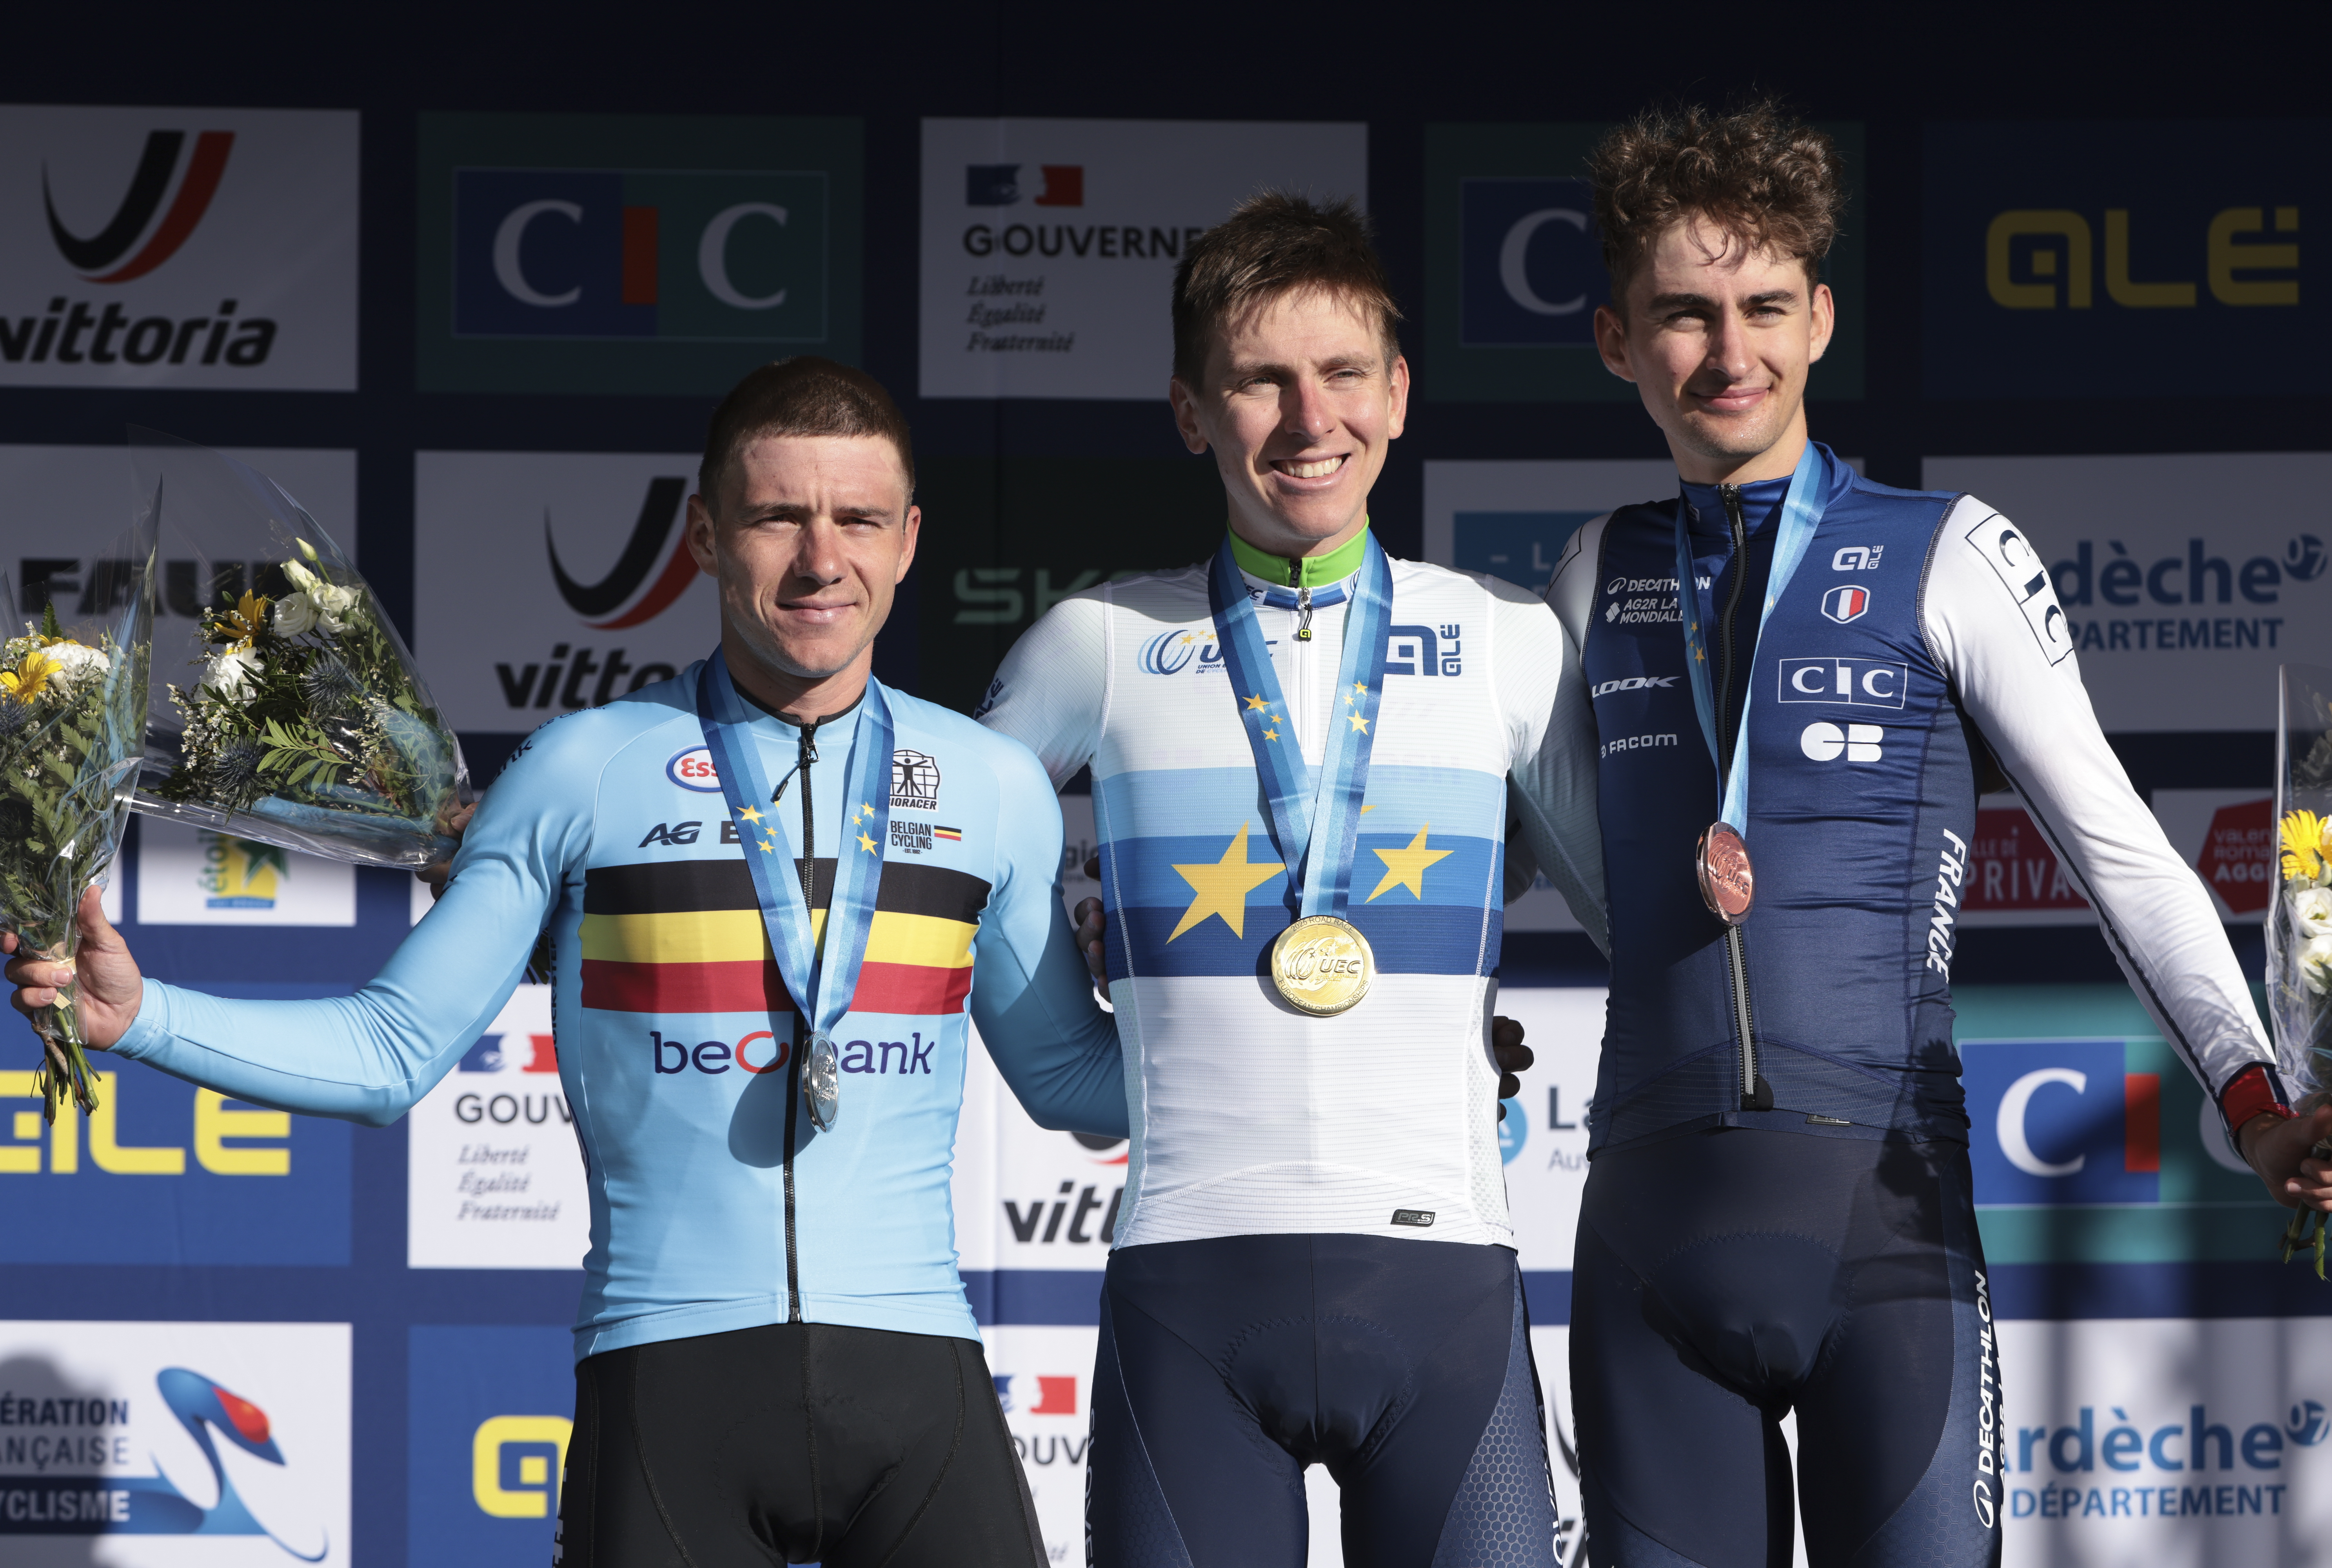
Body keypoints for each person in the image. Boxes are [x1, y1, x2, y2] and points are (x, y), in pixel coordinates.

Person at [5, 358, 1122, 1568]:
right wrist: (143, 1014)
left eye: (856, 519)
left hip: (922, 1387)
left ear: (907, 541)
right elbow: (391, 1053)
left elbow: (1070, 1077)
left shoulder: (991, 786)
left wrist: (1279, 1025)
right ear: (702, 535)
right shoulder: (583, 769)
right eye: (775, 517)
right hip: (671, 1391)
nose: (819, 558)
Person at [1529, 100, 2332, 1567]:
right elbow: (1588, 881)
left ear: (1821, 319)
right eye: (1685, 316)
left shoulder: (1944, 548)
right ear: (1613, 338)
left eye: (1765, 307)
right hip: (1646, 1224)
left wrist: (2251, 1096)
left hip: (1879, 1229)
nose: (1729, 354)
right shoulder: (1592, 569)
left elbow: (2115, 846)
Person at [975, 192, 1599, 1568]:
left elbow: (1634, 918)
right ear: (1193, 413)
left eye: (1340, 374)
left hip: (1446, 1285)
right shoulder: (1095, 643)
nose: (1308, 418)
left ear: (1397, 393)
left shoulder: (1501, 638)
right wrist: (1081, 1075)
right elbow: (948, 857)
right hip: (1190, 1284)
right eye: (1259, 379)